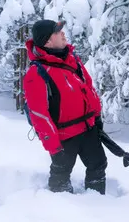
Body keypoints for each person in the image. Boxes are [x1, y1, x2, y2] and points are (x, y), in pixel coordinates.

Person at [23, 19, 107, 194]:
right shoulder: (36, 73)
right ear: (47, 41)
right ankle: (61, 211)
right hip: (63, 137)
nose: (63, 33)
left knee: (98, 164)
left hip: (87, 128)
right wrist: (54, 147)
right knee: (61, 174)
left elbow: (89, 88)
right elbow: (40, 116)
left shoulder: (72, 60)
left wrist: (96, 117)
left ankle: (99, 206)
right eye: (57, 32)